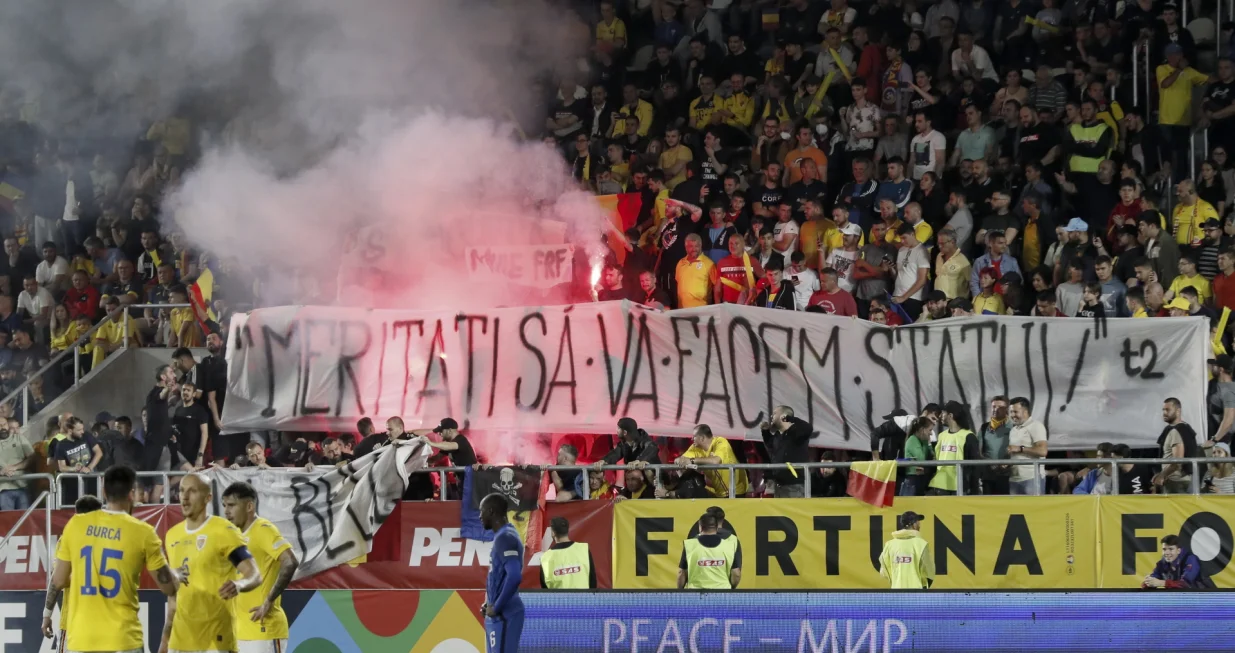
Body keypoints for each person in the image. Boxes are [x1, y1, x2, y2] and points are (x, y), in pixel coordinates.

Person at [42, 466, 180, 652]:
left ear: (104, 492)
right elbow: (168, 587)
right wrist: (176, 575)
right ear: (132, 493)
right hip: (123, 640)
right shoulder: (143, 532)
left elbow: (57, 580)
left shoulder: (76, 524)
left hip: (82, 640)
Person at [165, 474, 263, 653]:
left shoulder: (223, 531)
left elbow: (254, 574)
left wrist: (239, 584)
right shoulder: (172, 535)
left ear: (208, 498)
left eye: (192, 491)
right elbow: (173, 597)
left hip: (215, 641)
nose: (184, 497)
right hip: (179, 642)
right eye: (181, 490)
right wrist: (165, 642)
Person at [221, 481, 300, 653]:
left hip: (264, 630)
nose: (226, 511)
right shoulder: (234, 537)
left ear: (249, 506)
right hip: (239, 632)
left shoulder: (263, 529)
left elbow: (290, 561)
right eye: (224, 505)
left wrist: (269, 600)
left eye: (232, 505)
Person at [480, 494, 524, 653]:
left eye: (482, 511)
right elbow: (499, 576)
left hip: (507, 613)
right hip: (499, 614)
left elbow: (514, 576)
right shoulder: (502, 536)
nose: (479, 516)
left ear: (491, 511)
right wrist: (490, 603)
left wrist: (496, 606)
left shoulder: (506, 537)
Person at [675, 424, 749, 497]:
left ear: (702, 438)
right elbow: (682, 459)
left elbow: (716, 461)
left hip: (736, 491)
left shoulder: (721, 442)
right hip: (718, 491)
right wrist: (679, 460)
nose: (691, 439)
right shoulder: (695, 447)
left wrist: (691, 461)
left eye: (694, 437)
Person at [678, 512, 741, 589]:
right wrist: (731, 588)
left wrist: (680, 590)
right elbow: (736, 574)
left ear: (700, 527)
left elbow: (681, 573)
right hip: (722, 593)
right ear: (717, 527)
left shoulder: (689, 545)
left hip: (696, 594)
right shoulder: (729, 546)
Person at [759, 405, 811, 497]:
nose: (771, 416)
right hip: (778, 485)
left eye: (774, 413)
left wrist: (791, 419)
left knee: (793, 511)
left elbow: (808, 428)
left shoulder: (796, 431)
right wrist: (765, 432)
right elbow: (771, 448)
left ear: (784, 416)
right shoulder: (778, 435)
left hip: (795, 485)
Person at [878, 510, 934, 589]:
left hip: (896, 592)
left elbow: (884, 571)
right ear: (914, 525)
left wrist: (896, 581)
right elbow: (928, 571)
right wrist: (923, 586)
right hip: (917, 594)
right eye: (918, 522)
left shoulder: (889, 545)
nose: (919, 525)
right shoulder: (921, 544)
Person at [1155, 397, 1199, 494]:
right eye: (1163, 410)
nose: (1164, 413)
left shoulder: (1177, 431)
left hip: (1175, 481)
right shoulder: (1182, 428)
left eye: (1168, 410)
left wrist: (1161, 476)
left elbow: (1177, 462)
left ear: (1178, 411)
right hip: (1176, 479)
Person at [539, 516, 596, 589]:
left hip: (558, 600)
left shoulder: (545, 558)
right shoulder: (583, 549)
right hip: (584, 599)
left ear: (553, 533)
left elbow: (544, 589)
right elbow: (592, 580)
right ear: (567, 530)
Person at [1007, 397, 1049, 495]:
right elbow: (1016, 453)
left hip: (1032, 478)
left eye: (1015, 412)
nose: (1012, 415)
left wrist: (1019, 449)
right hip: (1014, 479)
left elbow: (1043, 451)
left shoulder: (1036, 426)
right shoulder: (1013, 430)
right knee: (1016, 510)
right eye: (1011, 412)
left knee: (1034, 509)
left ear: (1025, 411)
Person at [1142, 534, 1214, 589]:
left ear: (1178, 550)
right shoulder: (1161, 563)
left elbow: (1185, 584)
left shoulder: (1191, 559)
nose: (1166, 553)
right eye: (1164, 549)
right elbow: (1153, 580)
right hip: (1182, 601)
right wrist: (1147, 582)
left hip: (1207, 601)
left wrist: (1162, 583)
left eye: (1170, 549)